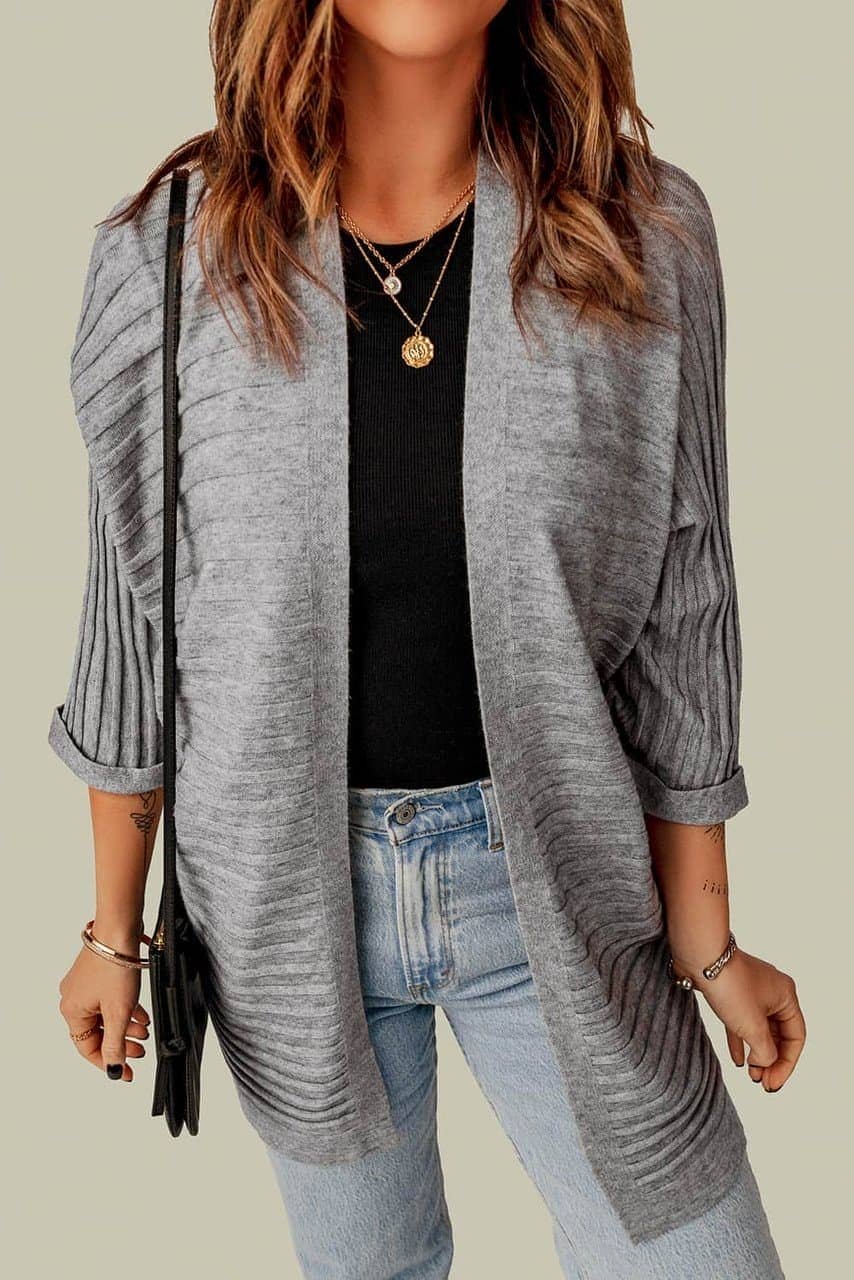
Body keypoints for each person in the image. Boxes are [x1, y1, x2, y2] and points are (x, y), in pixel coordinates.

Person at [51, 2, 804, 1276]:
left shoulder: (640, 233)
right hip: (282, 901)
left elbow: (685, 607)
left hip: (557, 876)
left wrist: (706, 936)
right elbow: (132, 612)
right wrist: (110, 930)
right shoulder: (172, 248)